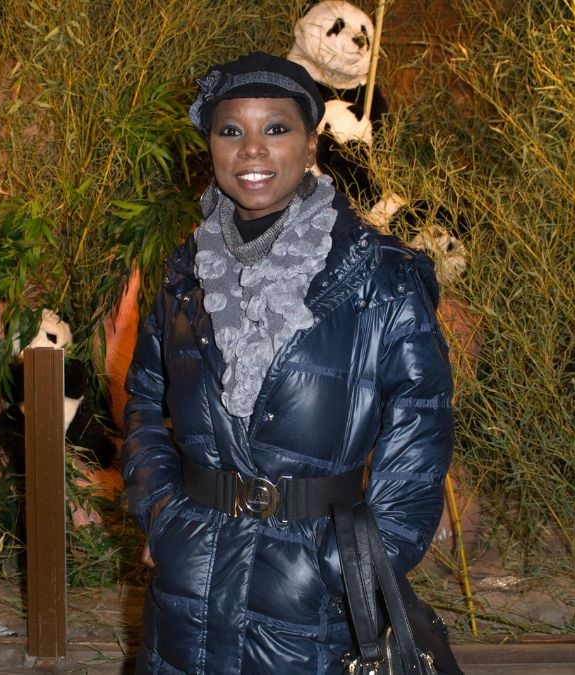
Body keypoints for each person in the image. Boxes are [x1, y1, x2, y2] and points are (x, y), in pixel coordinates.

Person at [121, 51, 454, 673]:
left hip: (316, 589)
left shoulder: (381, 275)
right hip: (193, 575)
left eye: (276, 128)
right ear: (211, 146)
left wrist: (355, 564)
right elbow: (143, 399)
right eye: (231, 130)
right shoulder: (184, 273)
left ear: (310, 144)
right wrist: (162, 514)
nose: (252, 149)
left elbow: (421, 429)